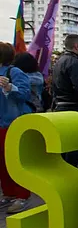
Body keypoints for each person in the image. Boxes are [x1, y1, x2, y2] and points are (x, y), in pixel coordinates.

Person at [0, 42, 32, 214]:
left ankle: (21, 196)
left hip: (11, 123)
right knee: (1, 162)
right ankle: (8, 193)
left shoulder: (14, 72)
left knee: (14, 161)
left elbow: (25, 94)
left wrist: (9, 87)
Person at [51, 34, 78, 167]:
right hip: (73, 109)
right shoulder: (76, 63)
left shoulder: (59, 61)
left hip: (59, 107)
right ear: (76, 46)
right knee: (73, 149)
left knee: (64, 148)